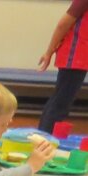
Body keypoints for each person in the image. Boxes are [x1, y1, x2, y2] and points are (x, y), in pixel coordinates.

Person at [37, 0, 88, 133]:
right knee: (60, 104)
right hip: (74, 57)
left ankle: (42, 137)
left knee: (60, 101)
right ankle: (44, 139)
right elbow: (63, 24)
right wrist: (49, 52)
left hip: (80, 58)